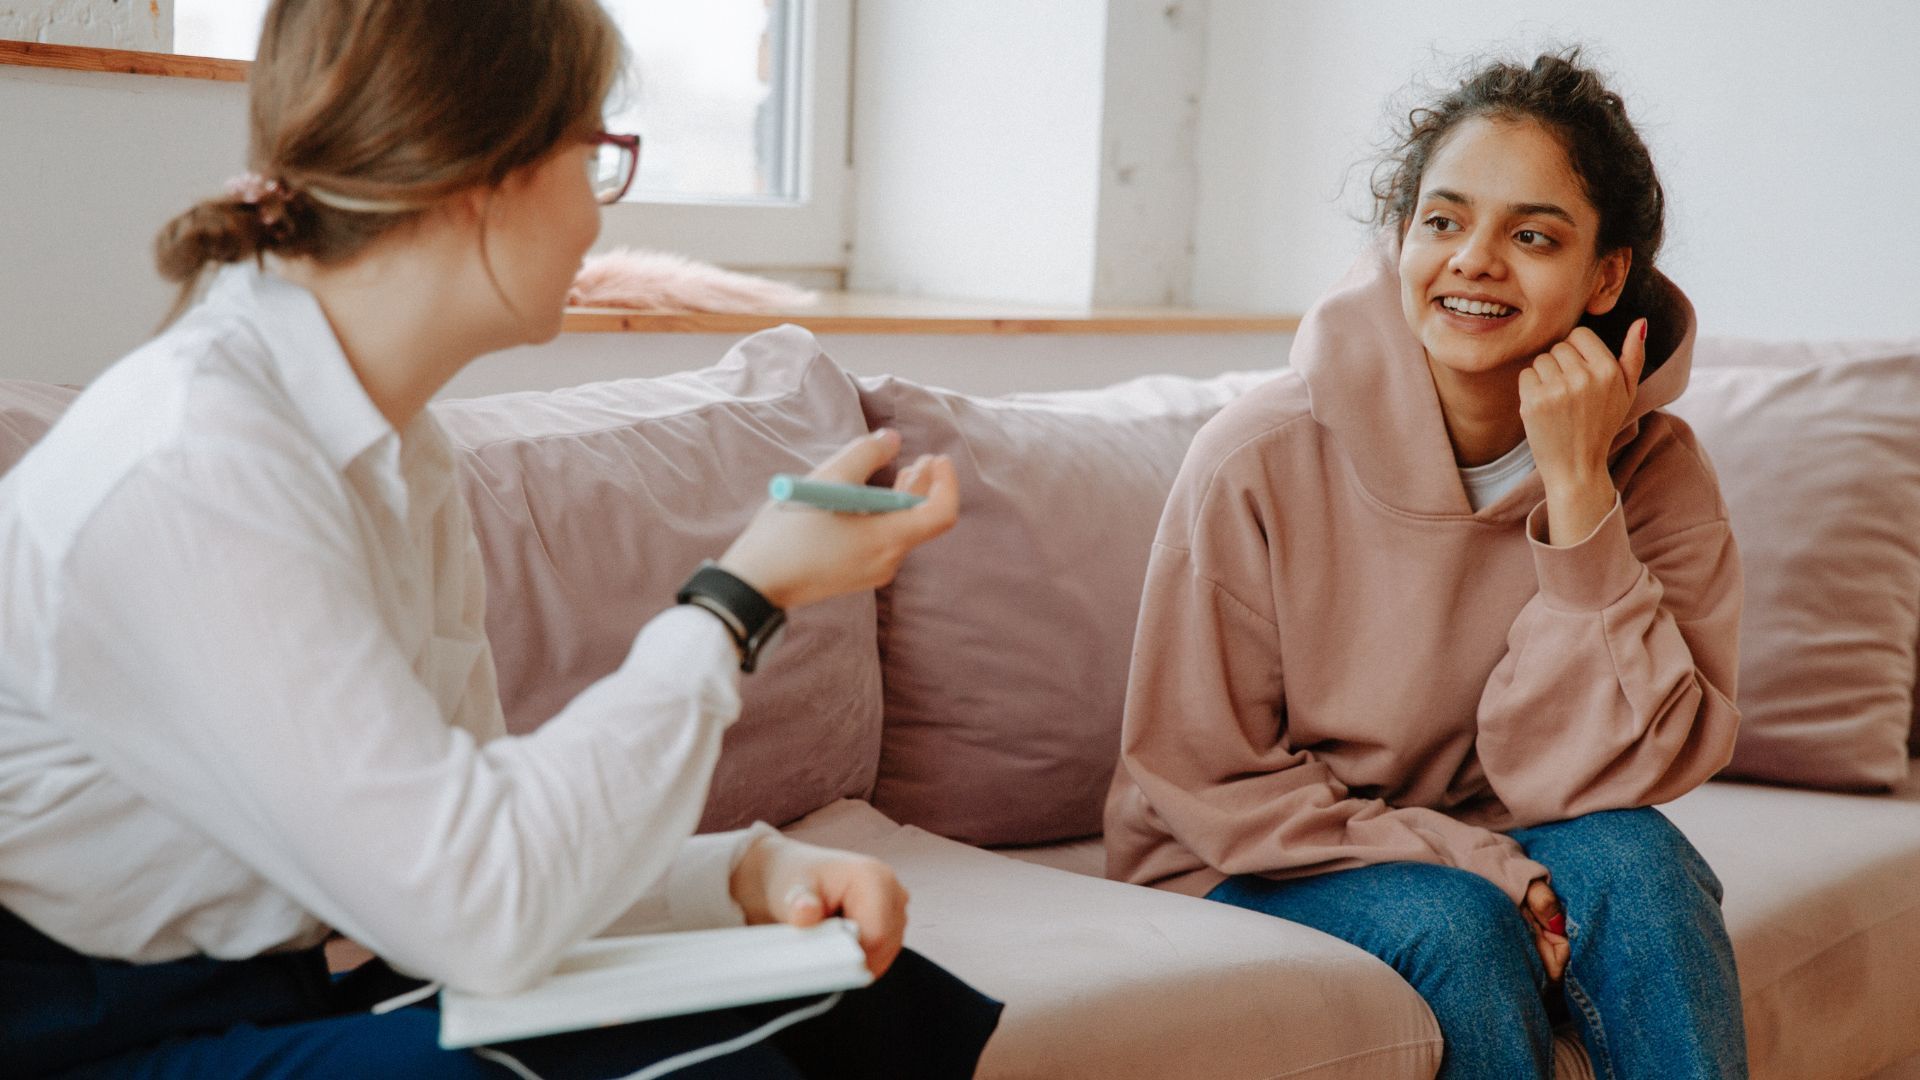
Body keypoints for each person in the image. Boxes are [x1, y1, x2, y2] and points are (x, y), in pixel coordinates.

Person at [0, 0, 1002, 1076]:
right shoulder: (201, 465)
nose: (596, 217)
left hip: (302, 980)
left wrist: (736, 879)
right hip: (94, 1033)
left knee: (858, 992)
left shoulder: (395, 449)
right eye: (596, 154)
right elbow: (477, 906)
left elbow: (473, 833)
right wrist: (737, 600)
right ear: (483, 175)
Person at [1105, 51, 1748, 1078]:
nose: (1475, 261)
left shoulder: (1658, 472)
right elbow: (1204, 777)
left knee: (1644, 863)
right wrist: (1474, 857)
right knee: (1457, 927)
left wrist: (1581, 499)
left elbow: (1628, 775)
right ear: (1399, 236)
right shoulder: (1255, 457)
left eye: (1532, 235)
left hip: (1505, 828)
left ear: (1607, 275)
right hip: (1247, 858)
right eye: (1444, 221)